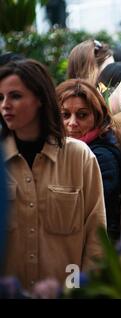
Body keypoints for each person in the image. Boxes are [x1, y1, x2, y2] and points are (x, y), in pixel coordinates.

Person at [0, 59, 106, 289]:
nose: (5, 105)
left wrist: (84, 292)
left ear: (39, 99)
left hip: (67, 291)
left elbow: (97, 237)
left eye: (15, 96)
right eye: (1, 98)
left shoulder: (79, 157)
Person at [56, 79, 121, 241]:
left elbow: (99, 222)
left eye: (82, 115)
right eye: (65, 115)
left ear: (97, 117)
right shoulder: (57, 149)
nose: (72, 123)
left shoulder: (101, 157)